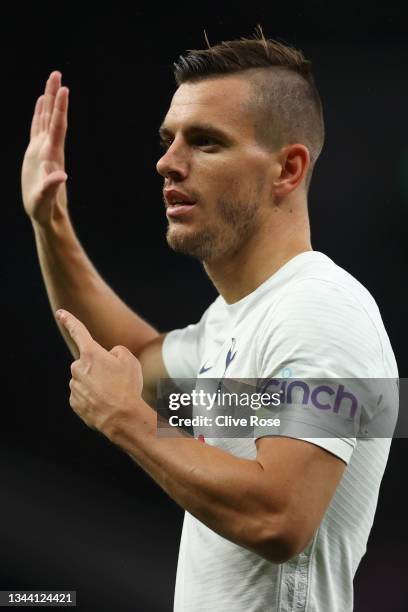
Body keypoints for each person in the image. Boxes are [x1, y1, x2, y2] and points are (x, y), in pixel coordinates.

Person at [21, 27, 398, 612]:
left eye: (205, 142)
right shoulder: (231, 323)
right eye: (169, 139)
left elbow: (281, 519)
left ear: (288, 170)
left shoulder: (322, 310)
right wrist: (51, 223)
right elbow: (132, 361)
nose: (167, 163)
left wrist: (128, 423)